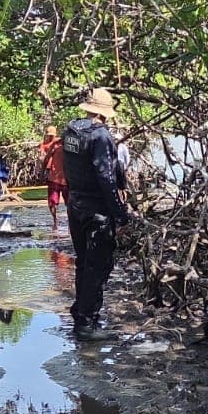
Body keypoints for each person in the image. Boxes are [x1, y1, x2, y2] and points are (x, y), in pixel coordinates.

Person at [60, 86, 131, 340]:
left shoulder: (70, 130)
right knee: (98, 265)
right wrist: (120, 212)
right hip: (96, 210)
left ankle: (81, 313)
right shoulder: (100, 136)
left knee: (83, 262)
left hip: (75, 205)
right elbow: (105, 177)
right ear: (104, 113)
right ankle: (86, 324)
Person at [40, 125, 67, 234]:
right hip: (54, 177)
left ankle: (70, 221)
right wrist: (42, 172)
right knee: (52, 202)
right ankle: (55, 221)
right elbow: (46, 158)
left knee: (69, 202)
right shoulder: (55, 145)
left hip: (66, 178)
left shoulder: (71, 145)